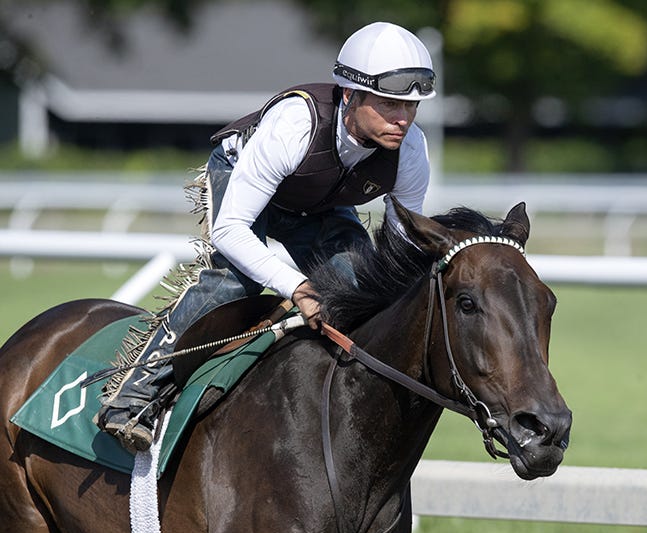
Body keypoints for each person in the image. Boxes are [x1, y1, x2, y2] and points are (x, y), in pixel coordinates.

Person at [96, 21, 437, 452]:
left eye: (412, 106)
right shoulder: (295, 124)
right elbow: (230, 230)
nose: (403, 119)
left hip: (318, 202)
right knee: (234, 282)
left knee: (362, 287)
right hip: (242, 182)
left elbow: (402, 248)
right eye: (389, 104)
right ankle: (134, 393)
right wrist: (298, 287)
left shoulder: (411, 150)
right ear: (350, 95)